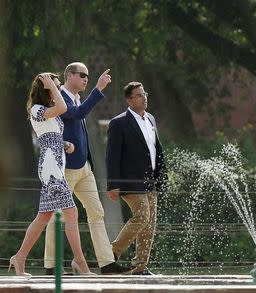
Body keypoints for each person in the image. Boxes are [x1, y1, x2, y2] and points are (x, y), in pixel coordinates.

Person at [43, 62, 128, 275]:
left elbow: (79, 112)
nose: (86, 79)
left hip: (83, 167)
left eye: (88, 77)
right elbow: (77, 113)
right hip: (65, 168)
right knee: (57, 215)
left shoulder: (76, 97)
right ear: (69, 75)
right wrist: (97, 89)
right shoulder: (57, 96)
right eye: (82, 75)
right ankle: (52, 266)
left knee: (96, 212)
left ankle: (106, 263)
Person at [10, 73, 94, 276]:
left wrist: (64, 144)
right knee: (71, 212)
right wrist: (51, 85)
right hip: (50, 168)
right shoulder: (37, 109)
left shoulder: (47, 112)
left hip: (54, 163)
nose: (58, 89)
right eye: (55, 86)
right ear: (46, 89)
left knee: (44, 216)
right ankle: (80, 262)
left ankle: (19, 258)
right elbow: (63, 108)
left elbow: (49, 135)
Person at [106, 81, 168, 275]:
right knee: (142, 217)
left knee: (149, 224)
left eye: (145, 93)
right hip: (130, 181)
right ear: (129, 100)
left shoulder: (150, 119)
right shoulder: (119, 123)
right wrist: (113, 185)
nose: (144, 97)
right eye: (139, 95)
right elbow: (112, 156)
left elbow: (157, 151)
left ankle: (140, 267)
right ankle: (110, 254)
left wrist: (162, 180)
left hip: (151, 181)